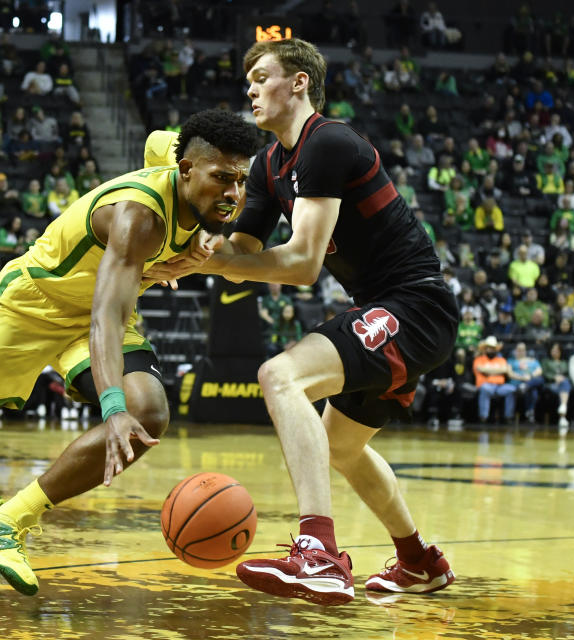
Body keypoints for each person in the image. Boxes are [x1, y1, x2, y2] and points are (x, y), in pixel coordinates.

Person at [0, 109, 261, 595]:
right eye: (222, 179)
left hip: (92, 318)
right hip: (33, 305)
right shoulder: (140, 217)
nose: (233, 192)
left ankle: (7, 519)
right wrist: (112, 408)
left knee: (149, 413)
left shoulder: (184, 156)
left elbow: (157, 140)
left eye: (240, 180)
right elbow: (106, 315)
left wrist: (199, 245)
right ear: (186, 171)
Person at [146, 39, 458, 604]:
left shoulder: (329, 142)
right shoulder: (267, 166)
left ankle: (317, 552)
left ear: (298, 83)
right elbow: (241, 255)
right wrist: (197, 254)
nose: (250, 88)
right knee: (340, 448)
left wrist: (219, 261)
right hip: (386, 311)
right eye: (248, 79)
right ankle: (419, 562)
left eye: (261, 76)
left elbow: (303, 263)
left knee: (279, 376)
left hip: (414, 305)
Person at [473, 336, 516, 423]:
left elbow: (505, 370)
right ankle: (483, 417)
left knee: (512, 389)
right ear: (485, 349)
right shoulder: (479, 359)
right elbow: (480, 369)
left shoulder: (501, 359)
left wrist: (489, 372)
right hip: (485, 385)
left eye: (493, 348)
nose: (491, 350)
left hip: (500, 386)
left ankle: (508, 417)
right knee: (486, 389)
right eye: (489, 348)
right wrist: (498, 371)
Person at [507, 342, 543, 422]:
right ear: (515, 350)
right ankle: (529, 412)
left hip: (530, 381)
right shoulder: (511, 361)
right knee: (534, 391)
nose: (521, 352)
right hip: (517, 383)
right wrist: (522, 378)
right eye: (519, 350)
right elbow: (509, 374)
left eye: (523, 350)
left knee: (540, 379)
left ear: (526, 351)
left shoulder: (532, 360)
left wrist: (530, 376)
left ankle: (526, 386)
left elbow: (539, 371)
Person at [542, 342, 572, 432]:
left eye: (557, 351)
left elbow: (569, 375)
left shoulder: (564, 362)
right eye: (553, 350)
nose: (555, 352)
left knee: (564, 385)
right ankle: (563, 413)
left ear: (560, 352)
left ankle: (563, 409)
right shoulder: (546, 361)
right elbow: (544, 373)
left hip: (563, 384)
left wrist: (562, 378)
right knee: (564, 390)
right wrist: (554, 377)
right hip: (550, 384)